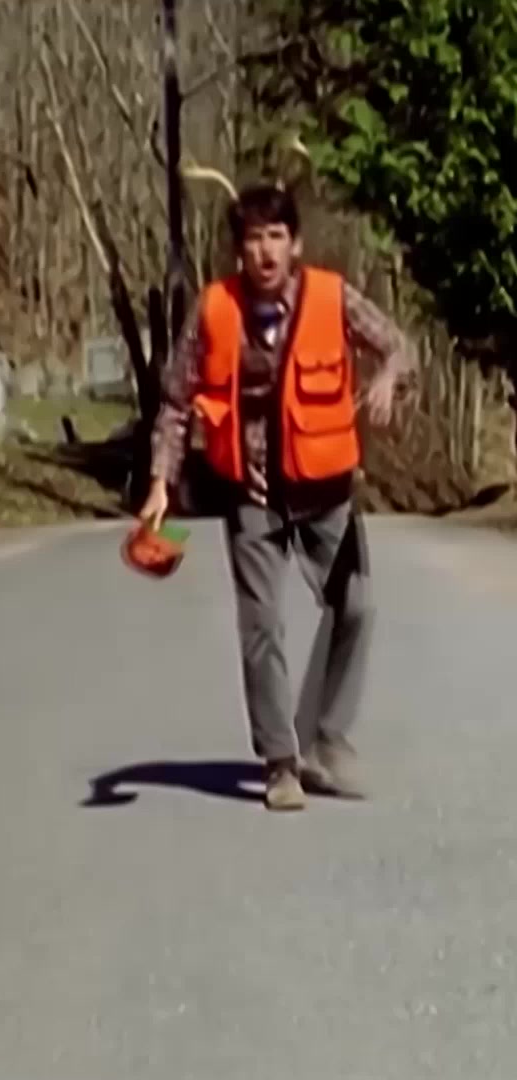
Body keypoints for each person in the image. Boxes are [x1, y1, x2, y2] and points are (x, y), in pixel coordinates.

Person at [140, 182, 415, 813]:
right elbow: (177, 401)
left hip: (326, 490)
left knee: (357, 607)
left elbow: (400, 346)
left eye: (275, 237)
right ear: (238, 249)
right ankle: (280, 762)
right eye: (253, 239)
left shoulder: (331, 297)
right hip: (252, 493)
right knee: (261, 626)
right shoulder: (214, 309)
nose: (265, 251)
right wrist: (160, 481)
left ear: (295, 243)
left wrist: (387, 379)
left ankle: (324, 736)